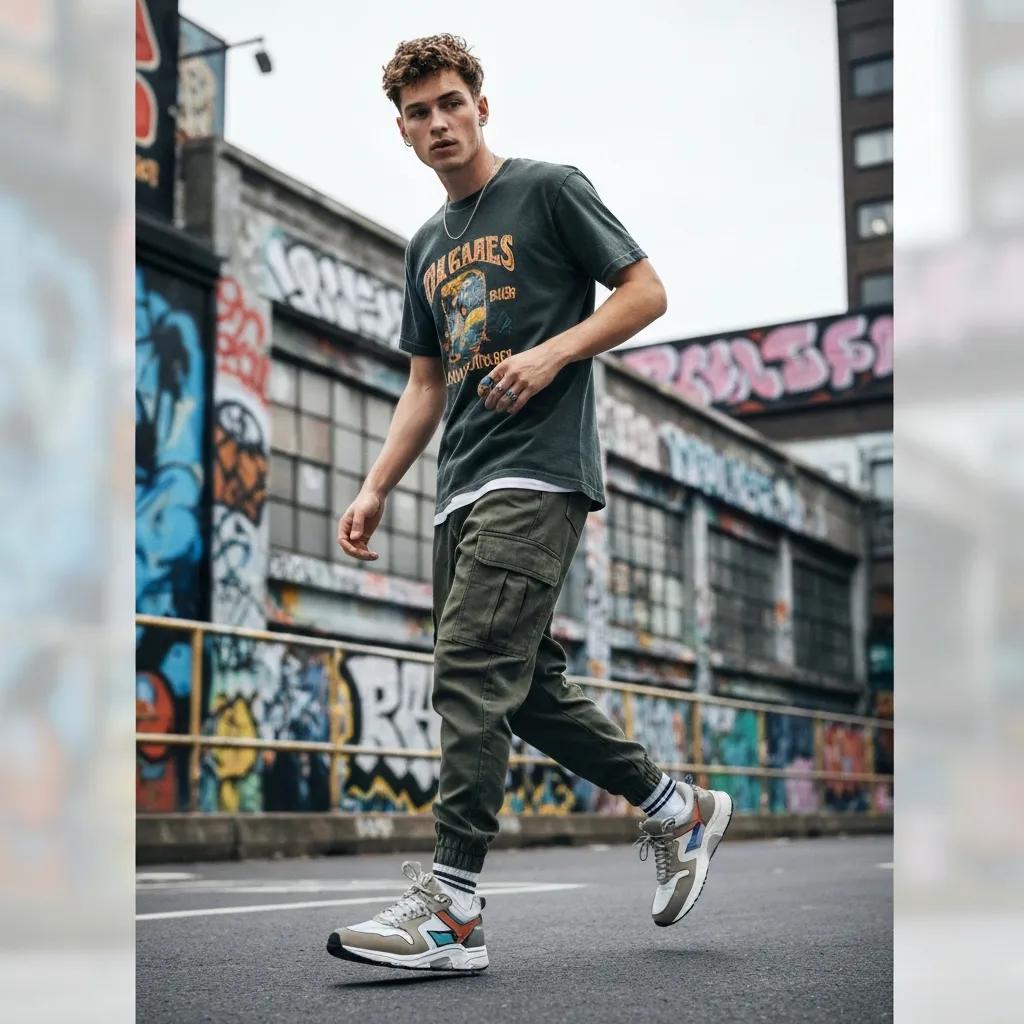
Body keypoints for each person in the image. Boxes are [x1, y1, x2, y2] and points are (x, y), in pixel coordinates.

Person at [327, 34, 732, 973]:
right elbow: (426, 383)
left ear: (481, 105)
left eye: (451, 102)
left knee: (468, 671)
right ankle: (679, 809)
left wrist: (555, 352)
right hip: (458, 488)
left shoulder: (549, 188)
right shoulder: (426, 245)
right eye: (419, 113)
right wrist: (376, 484)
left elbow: (647, 291)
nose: (439, 123)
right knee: (519, 686)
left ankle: (453, 908)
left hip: (539, 472)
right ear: (403, 131)